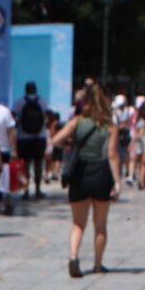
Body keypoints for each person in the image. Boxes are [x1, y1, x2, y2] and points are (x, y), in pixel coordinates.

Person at [61, 81, 119, 278]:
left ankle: (73, 256)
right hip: (101, 173)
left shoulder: (76, 122)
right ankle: (97, 264)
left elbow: (55, 139)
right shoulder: (109, 126)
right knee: (100, 225)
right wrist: (117, 181)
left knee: (78, 223)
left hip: (79, 173)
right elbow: (112, 155)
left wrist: (72, 143)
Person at [14, 83, 48, 199]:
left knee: (26, 165)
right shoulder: (43, 101)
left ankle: (26, 190)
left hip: (23, 138)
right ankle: (38, 189)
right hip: (39, 137)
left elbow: (13, 116)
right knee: (38, 163)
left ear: (26, 90)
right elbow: (51, 115)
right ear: (35, 90)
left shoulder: (19, 102)